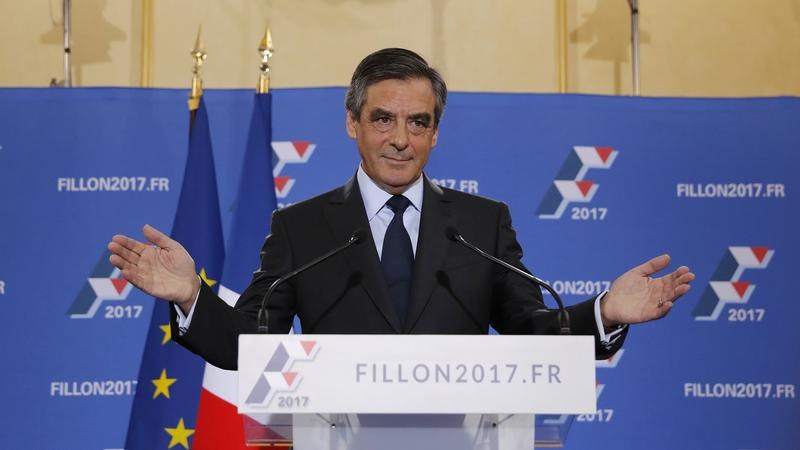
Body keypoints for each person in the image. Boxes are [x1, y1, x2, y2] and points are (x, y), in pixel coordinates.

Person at [108, 48, 694, 371]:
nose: (400, 138)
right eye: (382, 119)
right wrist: (192, 296)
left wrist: (604, 314)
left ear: (435, 134)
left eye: (419, 122)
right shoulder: (303, 227)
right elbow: (252, 344)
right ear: (352, 124)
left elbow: (531, 334)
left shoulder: (480, 223)